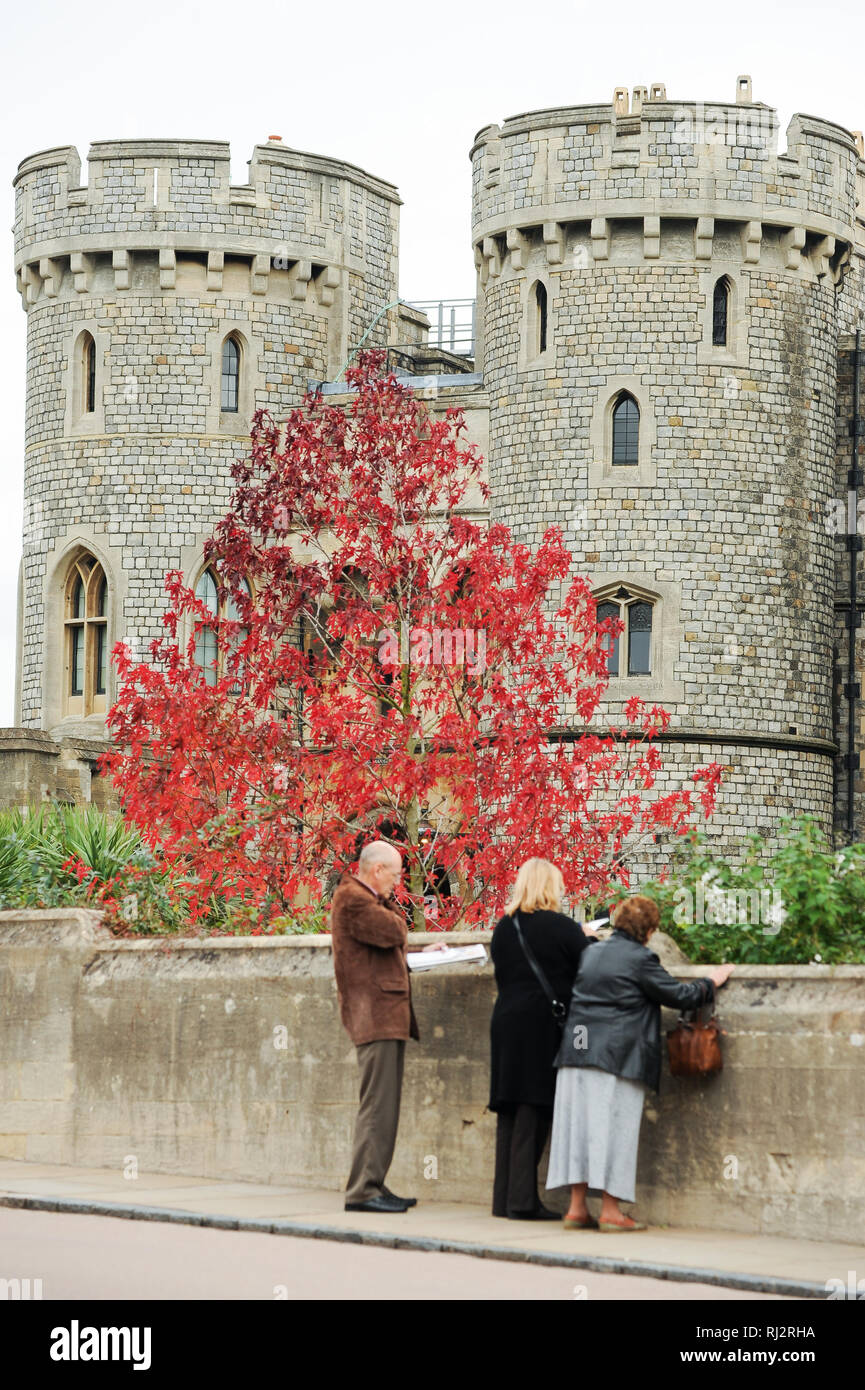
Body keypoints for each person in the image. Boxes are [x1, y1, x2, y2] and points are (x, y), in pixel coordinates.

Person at [546, 893, 734, 1231]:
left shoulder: (591, 953)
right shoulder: (640, 959)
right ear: (649, 931)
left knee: (579, 1130)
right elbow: (680, 996)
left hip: (576, 1051)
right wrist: (712, 981)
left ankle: (576, 1208)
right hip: (615, 1057)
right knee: (613, 1130)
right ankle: (611, 1212)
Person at [330, 839, 441, 1213]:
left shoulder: (364, 900)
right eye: (394, 875)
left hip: (384, 1015)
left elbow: (384, 948)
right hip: (374, 1015)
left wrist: (419, 955)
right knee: (378, 1106)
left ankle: (374, 1183)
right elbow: (393, 931)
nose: (397, 882)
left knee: (385, 1106)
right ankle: (363, 1190)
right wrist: (395, 920)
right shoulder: (354, 899)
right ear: (376, 870)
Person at [489, 858, 595, 1220]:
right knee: (535, 1106)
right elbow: (588, 970)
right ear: (552, 887)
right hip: (540, 1025)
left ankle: (503, 1199)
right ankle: (522, 1202)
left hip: (505, 1021)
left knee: (508, 1107)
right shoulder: (563, 928)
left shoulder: (504, 928)